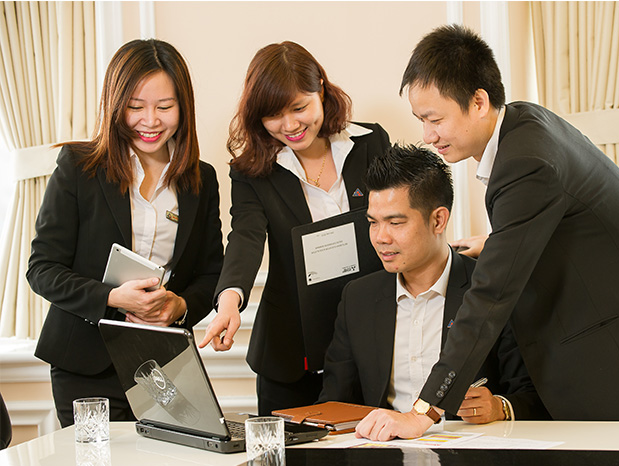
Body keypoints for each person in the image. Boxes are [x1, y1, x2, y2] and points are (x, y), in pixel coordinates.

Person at [355, 25, 619, 441]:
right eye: (421, 121)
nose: (428, 136)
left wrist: (424, 411)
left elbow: (491, 296)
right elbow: (564, 218)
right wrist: (497, 241)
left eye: (435, 120)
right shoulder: (523, 122)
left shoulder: (526, 162)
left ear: (478, 101)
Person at [26, 39, 223, 427]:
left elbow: (211, 273)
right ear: (115, 105)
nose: (151, 121)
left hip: (163, 365)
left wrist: (179, 306)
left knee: (170, 453)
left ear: (183, 107)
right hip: (84, 363)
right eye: (135, 107)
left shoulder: (202, 179)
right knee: (98, 456)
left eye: (164, 107)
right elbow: (42, 269)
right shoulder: (78, 167)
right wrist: (113, 297)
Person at [199, 41, 391, 415]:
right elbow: (246, 236)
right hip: (290, 351)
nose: (289, 126)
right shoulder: (252, 171)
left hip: (368, 338)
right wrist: (229, 300)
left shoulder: (371, 143)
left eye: (299, 108)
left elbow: (400, 215)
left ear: (321, 88)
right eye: (273, 115)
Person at [319, 144, 550, 427]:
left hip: (472, 445)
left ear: (438, 220)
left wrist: (499, 407)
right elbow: (335, 403)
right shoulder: (358, 298)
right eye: (373, 223)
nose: (380, 237)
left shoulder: (491, 288)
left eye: (395, 222)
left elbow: (536, 395)